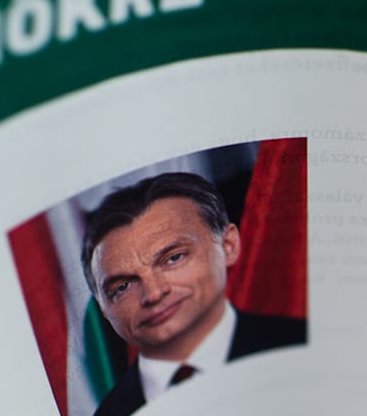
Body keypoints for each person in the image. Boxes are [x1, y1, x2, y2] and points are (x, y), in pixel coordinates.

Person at [81, 172, 306, 415]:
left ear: (228, 246)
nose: (154, 294)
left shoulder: (304, 344)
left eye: (173, 258)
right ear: (103, 308)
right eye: (123, 287)